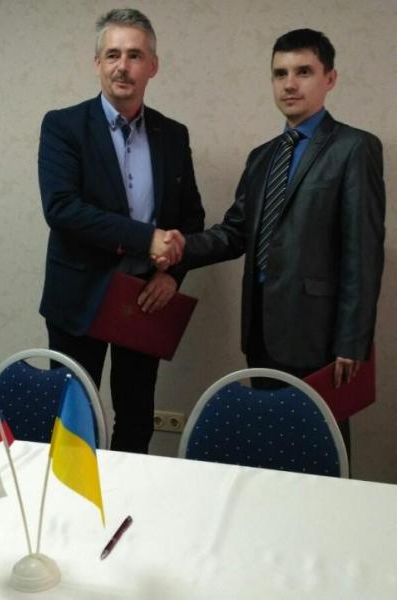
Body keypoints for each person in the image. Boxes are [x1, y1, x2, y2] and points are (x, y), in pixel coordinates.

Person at [157, 28, 385, 455]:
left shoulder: (355, 148)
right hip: (261, 330)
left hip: (321, 336)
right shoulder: (262, 157)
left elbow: (364, 253)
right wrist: (179, 246)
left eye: (303, 72)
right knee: (270, 446)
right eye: (280, 74)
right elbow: (234, 233)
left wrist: (352, 341)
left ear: (330, 79)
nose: (290, 84)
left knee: (320, 454)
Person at [38, 8, 205, 453]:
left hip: (145, 298)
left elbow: (190, 218)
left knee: (136, 418)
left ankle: (127, 496)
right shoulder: (63, 126)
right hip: (78, 297)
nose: (122, 66)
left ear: (153, 66)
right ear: (97, 63)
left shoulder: (173, 135)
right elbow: (62, 209)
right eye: (112, 54)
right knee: (73, 420)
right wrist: (145, 239)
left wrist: (172, 275)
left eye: (134, 55)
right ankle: (73, 499)